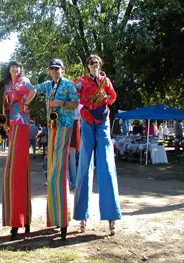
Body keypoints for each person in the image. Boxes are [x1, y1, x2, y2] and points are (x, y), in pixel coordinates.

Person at [73, 54, 121, 236]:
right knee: (85, 164)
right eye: (92, 63)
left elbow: (113, 96)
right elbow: (74, 96)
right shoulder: (81, 81)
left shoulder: (105, 80)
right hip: (86, 121)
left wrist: (104, 100)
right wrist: (85, 104)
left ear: (100, 65)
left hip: (102, 120)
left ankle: (111, 216)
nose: (95, 66)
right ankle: (81, 216)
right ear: (87, 66)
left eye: (97, 63)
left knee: (107, 165)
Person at [34, 59, 78, 239]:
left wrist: (61, 103)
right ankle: (55, 215)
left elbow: (75, 104)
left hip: (65, 125)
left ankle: (61, 216)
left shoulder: (69, 85)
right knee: (53, 168)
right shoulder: (47, 84)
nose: (54, 71)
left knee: (58, 169)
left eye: (57, 69)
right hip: (51, 126)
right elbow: (32, 88)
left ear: (63, 70)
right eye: (51, 68)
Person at [0, 61, 36, 240]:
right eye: (12, 66)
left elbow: (33, 90)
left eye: (18, 66)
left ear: (21, 69)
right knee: (16, 171)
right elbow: (5, 104)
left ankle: (18, 220)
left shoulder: (23, 81)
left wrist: (26, 103)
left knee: (15, 171)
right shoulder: (8, 85)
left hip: (21, 123)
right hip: (11, 125)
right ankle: (22, 219)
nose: (15, 69)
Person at [68, 108, 81, 190]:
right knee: (72, 165)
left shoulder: (63, 119)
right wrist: (78, 148)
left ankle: (68, 182)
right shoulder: (76, 122)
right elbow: (78, 135)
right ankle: (74, 182)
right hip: (72, 146)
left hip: (64, 145)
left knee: (65, 165)